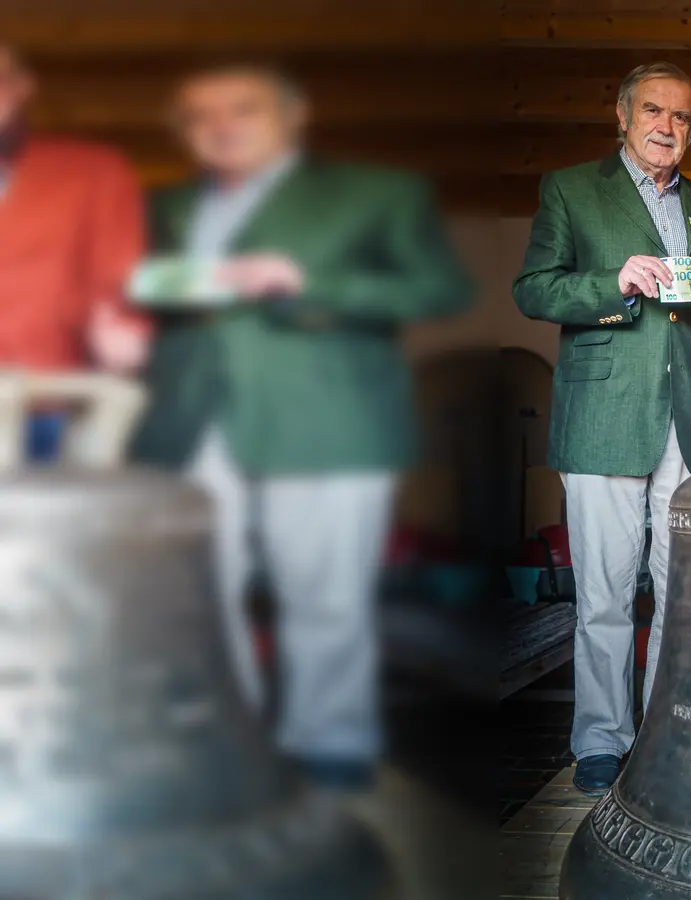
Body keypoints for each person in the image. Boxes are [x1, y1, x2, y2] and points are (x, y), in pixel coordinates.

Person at [129, 63, 472, 791]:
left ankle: (329, 746)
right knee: (194, 593)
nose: (219, 126)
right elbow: (144, 299)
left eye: (240, 108)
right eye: (198, 115)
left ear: (293, 114)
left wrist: (302, 282)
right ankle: (222, 743)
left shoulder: (379, 193)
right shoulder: (163, 205)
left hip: (329, 419)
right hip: (192, 420)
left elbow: (440, 287)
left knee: (327, 593)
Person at [514, 62, 691, 796]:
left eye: (683, 117)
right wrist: (614, 284)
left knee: (681, 593)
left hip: (689, 420)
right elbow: (533, 288)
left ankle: (663, 733)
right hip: (602, 414)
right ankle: (603, 740)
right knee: (602, 594)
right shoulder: (572, 188)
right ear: (623, 114)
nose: (668, 127)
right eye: (655, 112)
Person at [0, 43, 150, 458]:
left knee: (42, 521)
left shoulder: (92, 169)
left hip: (45, 397)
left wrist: (121, 334)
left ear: (21, 86)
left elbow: (117, 276)